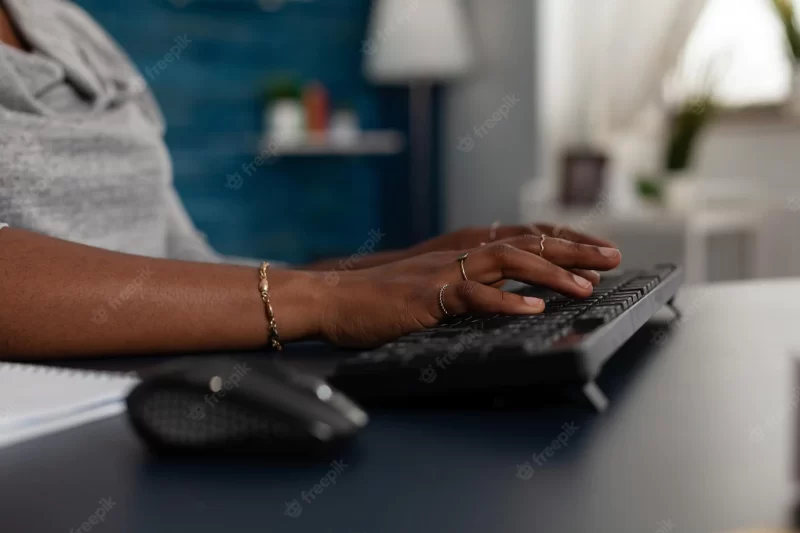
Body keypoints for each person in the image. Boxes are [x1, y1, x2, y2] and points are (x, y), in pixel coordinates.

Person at [0, 0, 621, 360]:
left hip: (177, 381)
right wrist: (325, 300)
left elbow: (181, 258)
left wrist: (389, 270)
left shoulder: (69, 30)